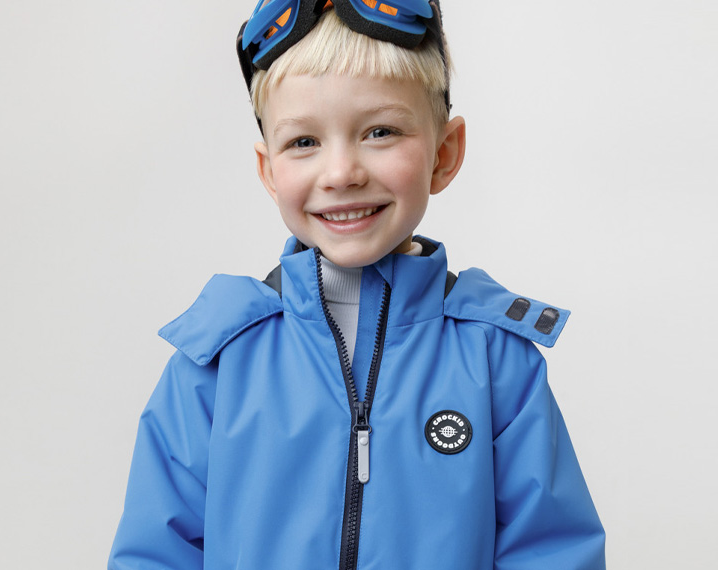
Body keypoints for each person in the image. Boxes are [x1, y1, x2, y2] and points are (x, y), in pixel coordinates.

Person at [108, 1, 606, 568]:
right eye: (304, 142)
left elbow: (552, 551)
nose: (342, 173)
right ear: (269, 170)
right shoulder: (216, 363)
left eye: (380, 132)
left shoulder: (497, 359)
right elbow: (156, 554)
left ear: (444, 154)